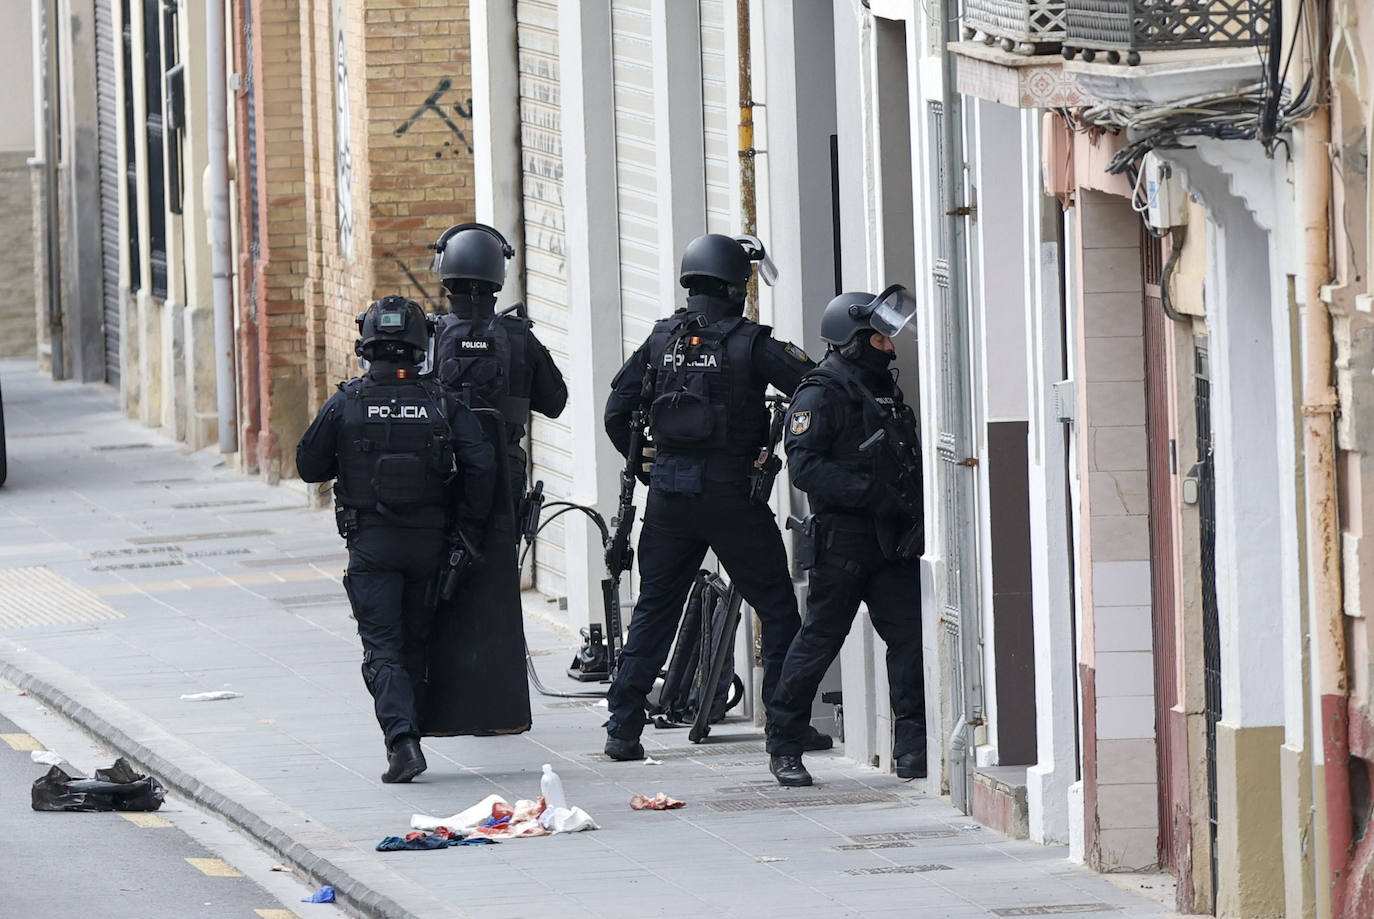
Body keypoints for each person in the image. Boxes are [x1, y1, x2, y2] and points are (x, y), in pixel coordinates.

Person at [601, 232, 818, 761]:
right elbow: (816, 385)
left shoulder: (660, 341)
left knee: (654, 610)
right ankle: (785, 727)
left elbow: (615, 411)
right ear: (733, 286)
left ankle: (622, 727)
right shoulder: (751, 344)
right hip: (731, 499)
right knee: (778, 608)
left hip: (669, 502)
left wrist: (650, 468)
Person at [296, 295, 496, 784]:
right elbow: (483, 465)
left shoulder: (346, 402)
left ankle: (402, 742)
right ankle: (415, 726)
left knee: (382, 647)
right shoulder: (443, 401)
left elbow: (308, 466)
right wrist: (467, 531)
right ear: (418, 344)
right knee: (415, 642)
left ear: (367, 345)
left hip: (372, 544)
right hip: (431, 545)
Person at [765, 288, 927, 787]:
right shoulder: (820, 393)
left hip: (892, 540)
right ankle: (785, 744)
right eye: (880, 339)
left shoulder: (882, 390)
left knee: (909, 641)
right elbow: (806, 467)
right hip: (845, 541)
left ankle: (913, 750)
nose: (890, 348)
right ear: (853, 340)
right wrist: (869, 494)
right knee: (818, 642)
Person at [430, 222, 568, 504]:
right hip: (503, 472)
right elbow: (555, 403)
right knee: (501, 546)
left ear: (447, 276)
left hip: (442, 470)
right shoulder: (519, 337)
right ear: (497, 277)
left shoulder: (430, 335)